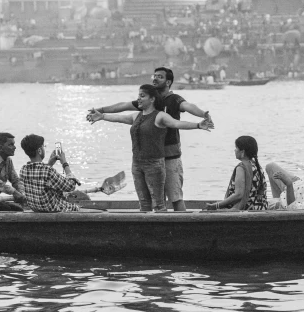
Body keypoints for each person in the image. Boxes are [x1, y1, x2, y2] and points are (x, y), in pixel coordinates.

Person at [87, 67, 212, 211]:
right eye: (154, 76)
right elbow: (122, 108)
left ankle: (182, 226)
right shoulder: (145, 103)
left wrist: (203, 116)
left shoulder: (172, 100)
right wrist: (101, 112)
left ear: (168, 82)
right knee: (149, 201)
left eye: (160, 77)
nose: (155, 78)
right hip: (145, 160)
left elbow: (187, 109)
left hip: (170, 157)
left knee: (175, 197)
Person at [19, 134, 98, 213]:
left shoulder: (23, 170)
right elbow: (71, 186)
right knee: (79, 207)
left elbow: (39, 178)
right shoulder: (48, 171)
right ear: (39, 150)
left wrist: (49, 164)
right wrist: (64, 163)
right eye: (43, 147)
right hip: (53, 209)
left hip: (36, 208)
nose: (44, 149)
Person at [205, 136, 268, 211]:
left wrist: (217, 205)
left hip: (246, 209)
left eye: (236, 148)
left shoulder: (241, 168)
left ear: (242, 152)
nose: (235, 150)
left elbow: (238, 195)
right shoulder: (257, 166)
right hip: (260, 207)